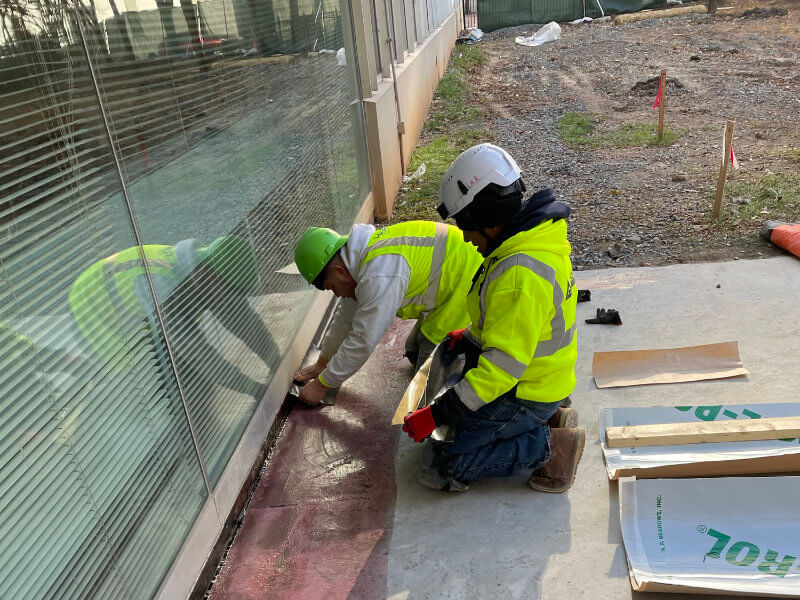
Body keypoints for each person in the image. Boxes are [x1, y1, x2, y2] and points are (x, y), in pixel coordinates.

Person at [401, 143, 584, 493]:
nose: (466, 239)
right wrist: (470, 337)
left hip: (526, 390)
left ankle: (550, 447)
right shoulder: (525, 243)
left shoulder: (519, 273)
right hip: (538, 376)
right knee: (454, 420)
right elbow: (511, 326)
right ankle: (551, 417)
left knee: (445, 461)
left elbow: (500, 369)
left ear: (482, 218)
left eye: (464, 225)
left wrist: (436, 414)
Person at [292, 221, 483, 405]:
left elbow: (363, 340)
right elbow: (344, 320)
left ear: (339, 271)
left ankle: (472, 365)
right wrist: (322, 363)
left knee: (425, 392)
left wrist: (322, 385)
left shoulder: (379, 274)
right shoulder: (359, 259)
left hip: (465, 281)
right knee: (413, 352)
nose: (337, 294)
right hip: (448, 276)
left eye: (331, 287)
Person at [69, 235, 279, 399]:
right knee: (137, 378)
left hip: (133, 298)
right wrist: (254, 389)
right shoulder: (161, 286)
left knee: (188, 372)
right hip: (92, 306)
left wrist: (275, 361)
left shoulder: (205, 271)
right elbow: (196, 351)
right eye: (225, 293)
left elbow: (241, 318)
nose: (225, 301)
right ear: (212, 280)